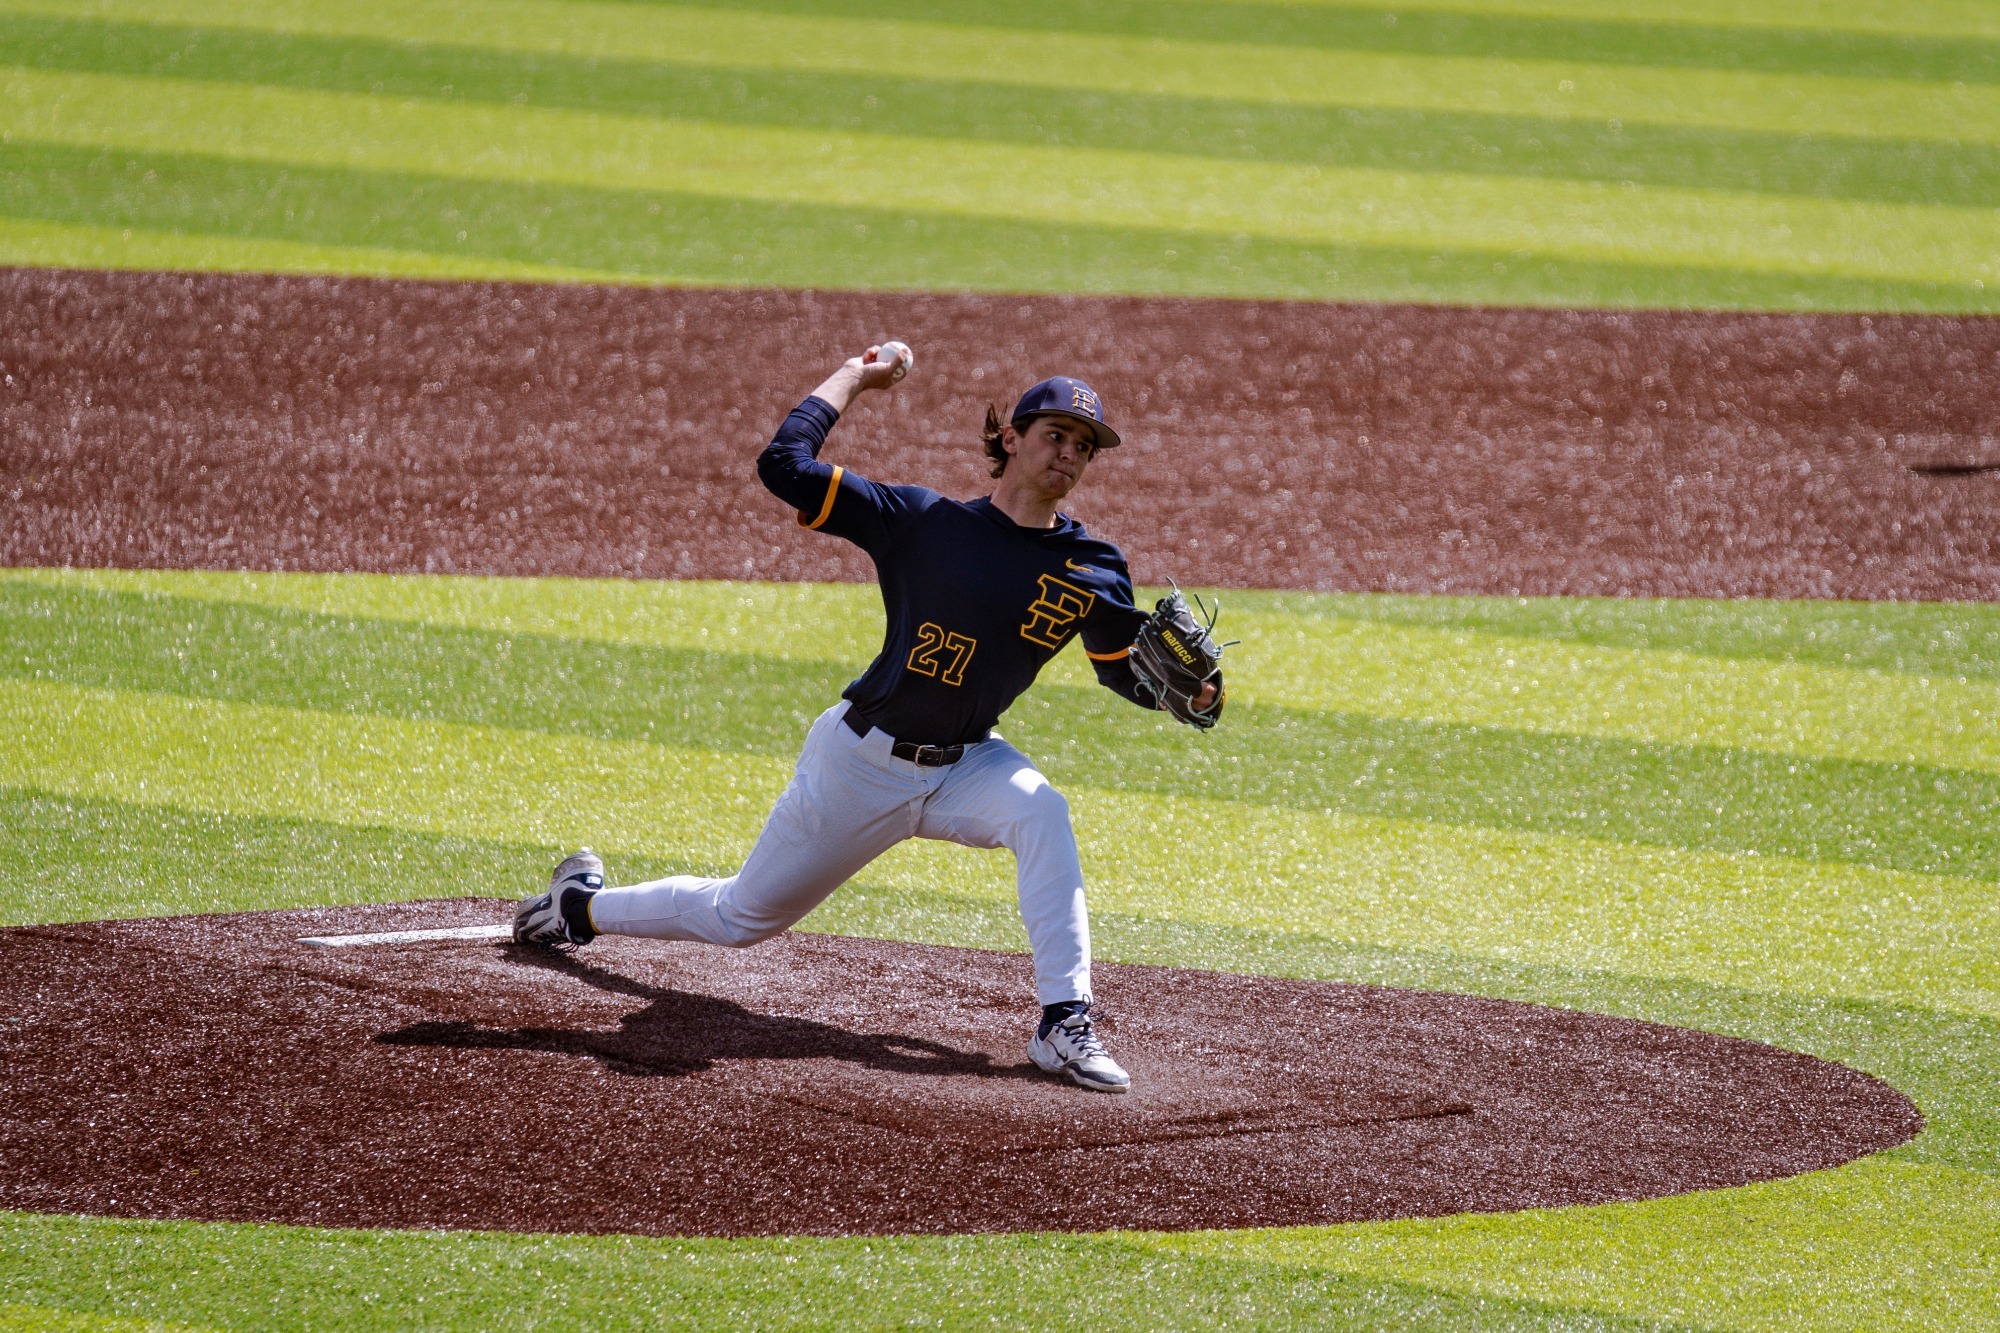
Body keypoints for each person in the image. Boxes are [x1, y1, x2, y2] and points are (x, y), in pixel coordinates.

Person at [514, 345, 1220, 1093]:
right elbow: (782, 465)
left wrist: (1198, 698)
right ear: (1010, 438)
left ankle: (1063, 1021)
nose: (1069, 455)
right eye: (1055, 435)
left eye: (1084, 446)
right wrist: (855, 375)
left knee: (1042, 812)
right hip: (860, 762)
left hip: (967, 764)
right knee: (740, 918)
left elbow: (1122, 670)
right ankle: (579, 906)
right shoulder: (921, 521)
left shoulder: (1094, 564)